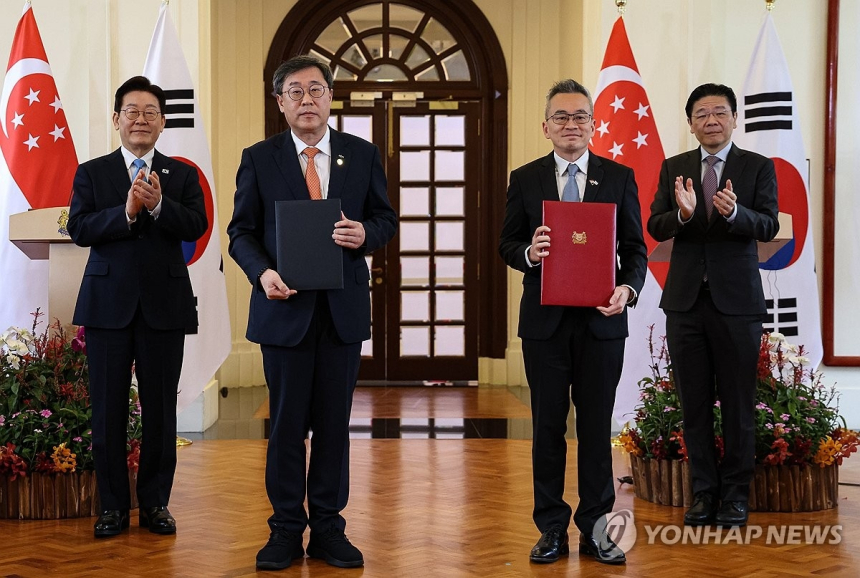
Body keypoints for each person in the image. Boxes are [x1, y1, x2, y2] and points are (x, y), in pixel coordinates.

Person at [227, 55, 397, 571]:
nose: (307, 100)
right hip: (284, 310)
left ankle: (327, 527)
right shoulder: (259, 158)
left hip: (341, 312)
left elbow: (385, 219)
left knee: (333, 425)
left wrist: (366, 234)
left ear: (330, 98)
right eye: (295, 92)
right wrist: (262, 273)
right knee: (284, 426)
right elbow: (241, 233)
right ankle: (283, 530)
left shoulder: (361, 154)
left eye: (316, 90)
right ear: (280, 102)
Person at [498, 79, 647, 565]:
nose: (571, 125)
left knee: (594, 427)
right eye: (560, 117)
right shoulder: (525, 178)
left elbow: (635, 250)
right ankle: (551, 528)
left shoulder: (619, 177)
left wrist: (627, 289)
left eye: (580, 116)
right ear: (546, 127)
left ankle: (597, 527)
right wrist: (529, 253)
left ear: (593, 125)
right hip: (545, 325)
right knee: (546, 428)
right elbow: (507, 245)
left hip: (603, 324)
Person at [68, 76, 207, 538]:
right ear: (116, 119)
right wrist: (127, 210)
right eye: (132, 111)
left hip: (164, 308)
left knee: (160, 413)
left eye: (150, 112)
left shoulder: (182, 174)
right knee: (106, 411)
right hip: (108, 308)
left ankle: (155, 504)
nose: (141, 119)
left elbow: (197, 224)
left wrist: (160, 204)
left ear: (163, 122)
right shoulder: (93, 172)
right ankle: (111, 507)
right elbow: (81, 228)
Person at [648, 83, 779, 527]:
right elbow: (655, 223)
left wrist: (735, 214)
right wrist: (683, 215)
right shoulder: (674, 168)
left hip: (737, 304)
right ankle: (704, 494)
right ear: (690, 123)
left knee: (739, 403)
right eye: (701, 114)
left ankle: (736, 495)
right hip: (685, 303)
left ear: (734, 119)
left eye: (719, 112)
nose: (711, 121)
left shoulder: (757, 167)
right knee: (694, 405)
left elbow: (768, 224)